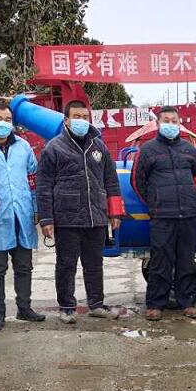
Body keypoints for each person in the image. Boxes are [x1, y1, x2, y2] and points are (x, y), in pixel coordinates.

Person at [37, 100, 124, 324]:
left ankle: (96, 304)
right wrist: (46, 219)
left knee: (94, 263)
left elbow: (111, 181)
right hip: (67, 218)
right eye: (76, 117)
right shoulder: (54, 148)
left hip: (96, 216)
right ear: (66, 120)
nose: (81, 121)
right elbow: (44, 186)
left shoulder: (99, 147)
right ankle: (67, 307)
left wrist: (115, 212)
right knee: (66, 265)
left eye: (85, 117)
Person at [131, 106, 196, 321]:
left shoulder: (188, 149)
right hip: (162, 216)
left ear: (180, 124)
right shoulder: (148, 150)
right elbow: (137, 181)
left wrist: (191, 196)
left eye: (174, 121)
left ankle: (187, 303)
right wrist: (154, 202)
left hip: (188, 214)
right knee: (160, 261)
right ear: (158, 124)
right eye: (166, 120)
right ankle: (155, 304)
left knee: (186, 261)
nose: (170, 124)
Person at [0, 101, 46, 328]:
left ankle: (24, 308)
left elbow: (33, 179)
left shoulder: (23, 147)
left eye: (8, 120)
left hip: (22, 215)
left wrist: (36, 209)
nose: (3, 124)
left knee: (24, 266)